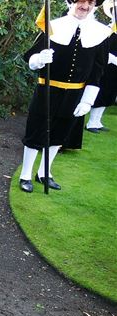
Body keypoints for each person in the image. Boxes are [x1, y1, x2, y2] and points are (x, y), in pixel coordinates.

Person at [19, 0, 111, 193]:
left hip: (76, 94)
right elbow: (31, 57)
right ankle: (25, 175)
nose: (85, 6)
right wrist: (39, 60)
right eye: (81, 1)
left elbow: (98, 71)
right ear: (72, 2)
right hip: (47, 90)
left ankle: (44, 173)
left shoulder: (101, 34)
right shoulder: (54, 26)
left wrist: (87, 100)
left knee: (59, 134)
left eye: (90, 2)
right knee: (36, 132)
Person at [85, 0, 117, 133]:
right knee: (102, 93)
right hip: (106, 67)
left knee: (109, 94)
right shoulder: (109, 31)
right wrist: (112, 58)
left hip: (114, 70)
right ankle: (91, 123)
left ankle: (97, 121)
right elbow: (102, 50)